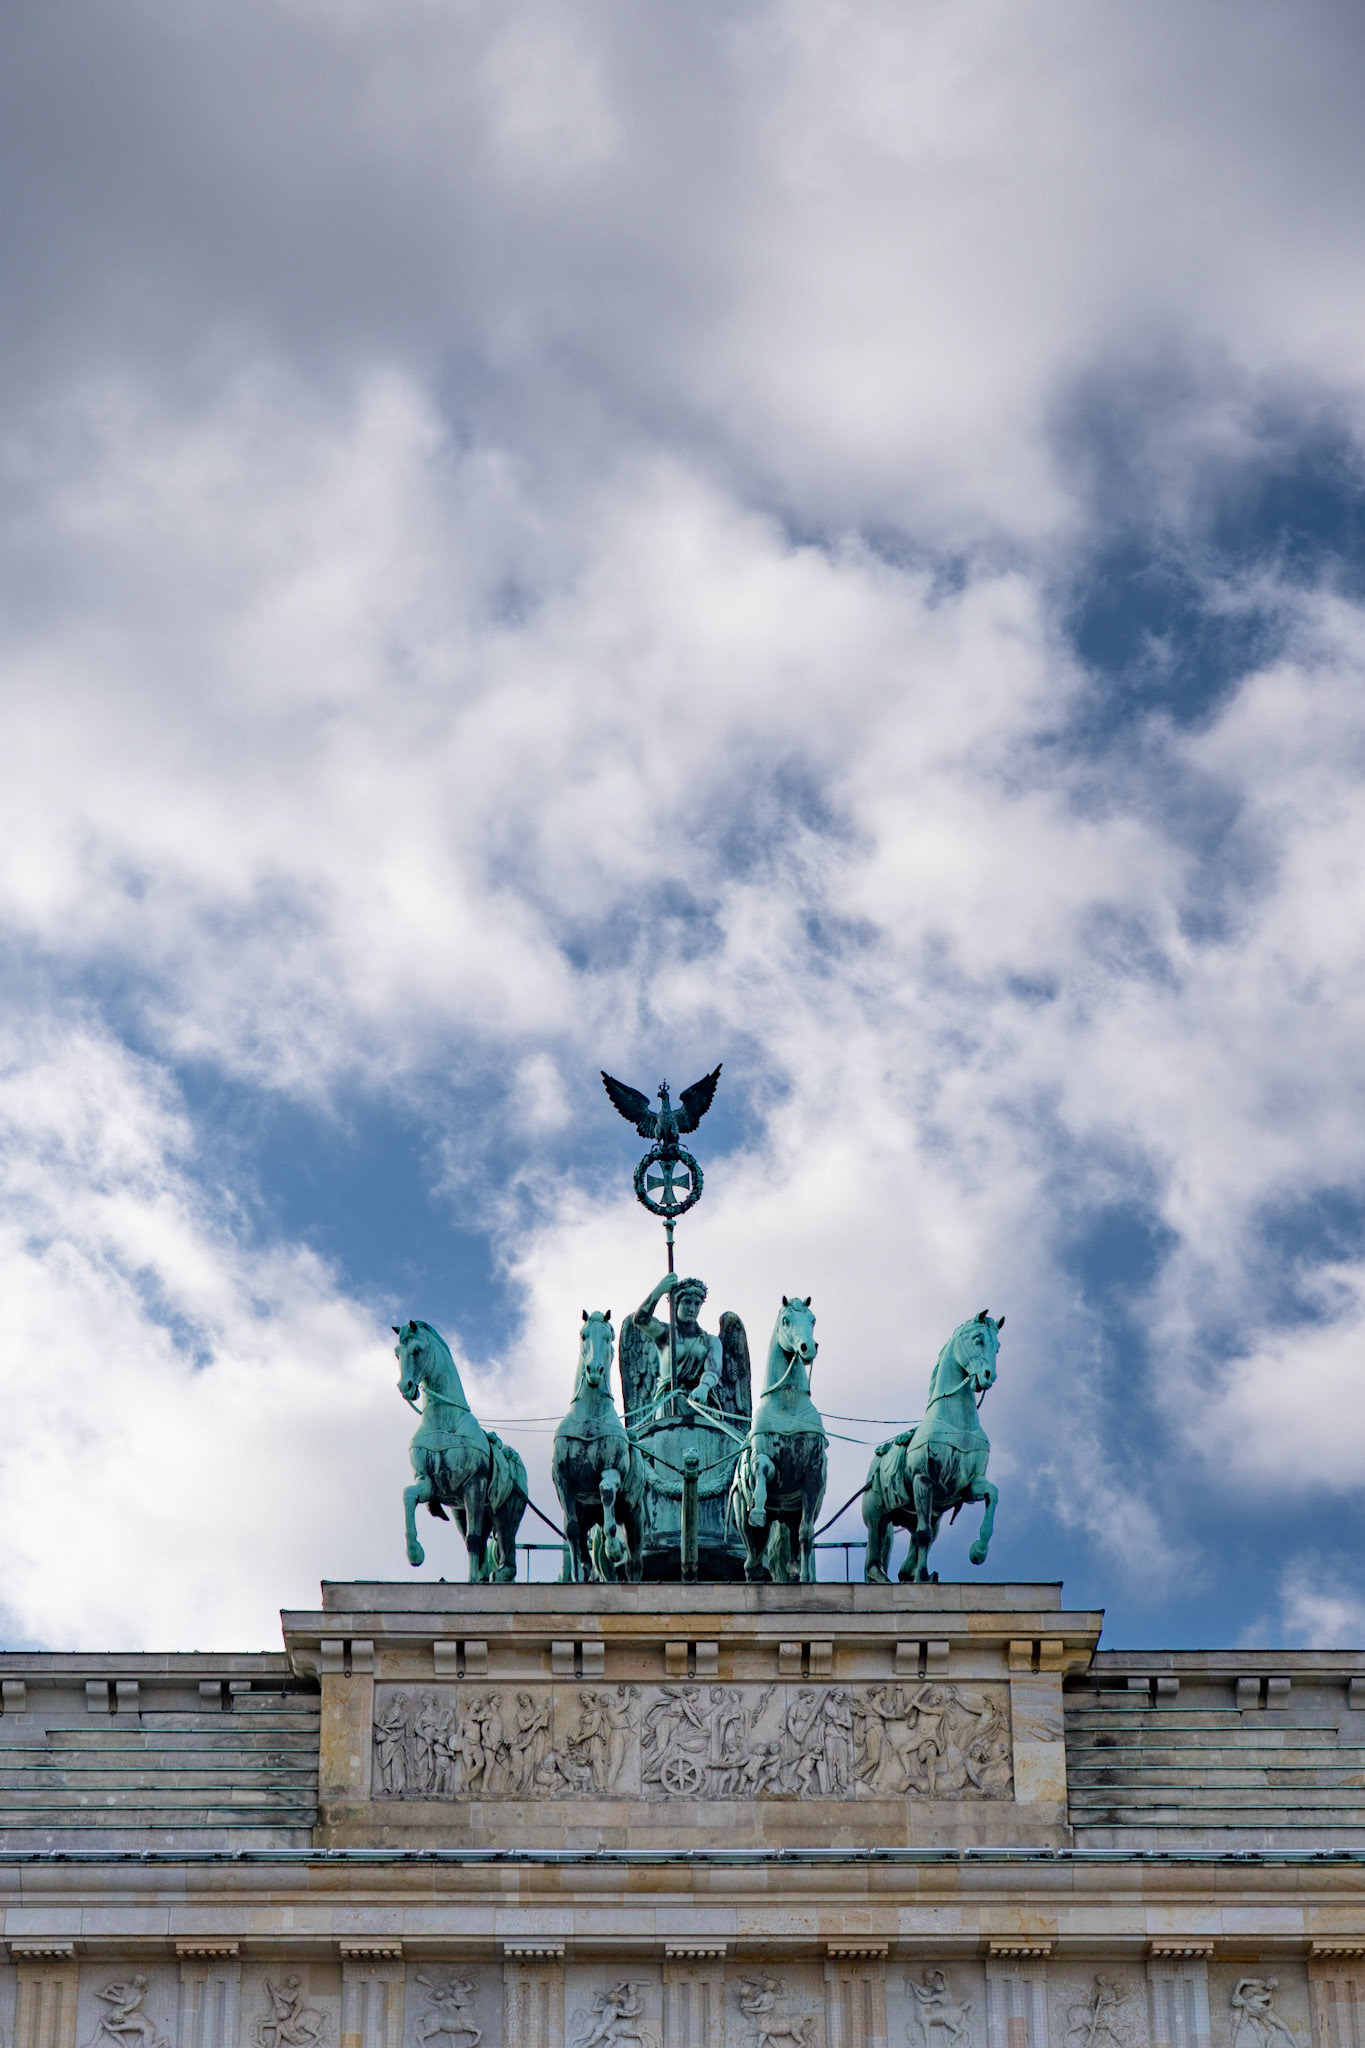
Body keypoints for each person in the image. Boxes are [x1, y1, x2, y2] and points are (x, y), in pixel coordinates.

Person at [631, 1275, 723, 1411]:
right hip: (669, 1404)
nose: (692, 1308)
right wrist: (660, 1290)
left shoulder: (710, 1341)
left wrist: (703, 1387)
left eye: (697, 1303)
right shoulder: (664, 1334)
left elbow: (713, 1370)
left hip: (700, 1403)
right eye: (687, 1302)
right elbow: (640, 1320)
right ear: (676, 1304)